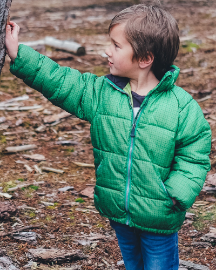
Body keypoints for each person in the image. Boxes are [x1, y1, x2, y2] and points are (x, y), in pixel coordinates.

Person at [5, 4, 211, 270]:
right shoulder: (102, 93)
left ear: (144, 58)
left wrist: (175, 194)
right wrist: (18, 53)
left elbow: (195, 153)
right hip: (118, 210)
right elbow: (60, 80)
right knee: (133, 265)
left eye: (116, 45)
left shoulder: (181, 107)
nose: (107, 51)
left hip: (159, 215)